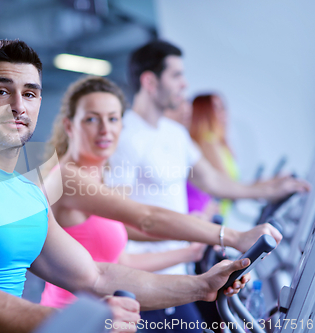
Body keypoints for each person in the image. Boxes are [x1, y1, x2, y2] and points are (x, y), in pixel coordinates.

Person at [0, 39, 259, 333]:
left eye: (31, 93)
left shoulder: (23, 187)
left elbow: (95, 275)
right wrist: (84, 322)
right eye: (2, 92)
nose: (19, 106)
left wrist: (202, 287)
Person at [108, 40, 310, 332]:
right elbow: (120, 221)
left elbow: (213, 181)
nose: (184, 84)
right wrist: (199, 233)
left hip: (179, 278)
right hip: (142, 286)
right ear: (150, 81)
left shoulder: (175, 133)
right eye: (176, 75)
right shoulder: (124, 136)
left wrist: (271, 189)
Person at [39, 76, 279, 309]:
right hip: (69, 318)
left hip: (109, 317)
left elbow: (122, 263)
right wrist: (234, 236)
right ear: (69, 126)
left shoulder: (100, 180)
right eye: (92, 120)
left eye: (113, 119)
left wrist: (190, 254)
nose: (105, 129)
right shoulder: (67, 178)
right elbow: (147, 217)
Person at [190, 93, 239, 220]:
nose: (223, 113)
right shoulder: (207, 141)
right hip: (204, 215)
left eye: (223, 107)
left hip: (218, 216)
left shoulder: (220, 145)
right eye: (216, 108)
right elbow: (225, 186)